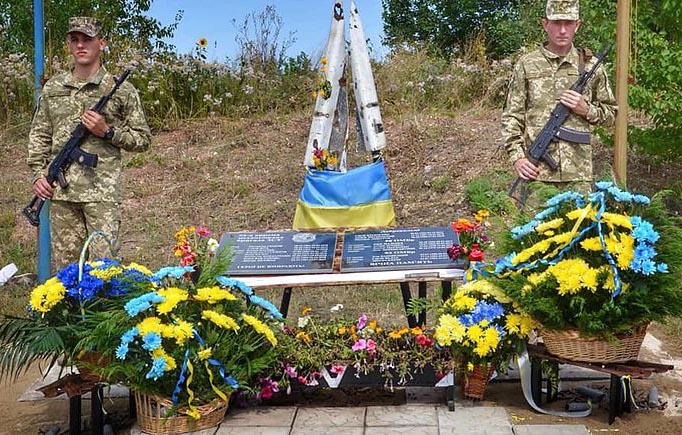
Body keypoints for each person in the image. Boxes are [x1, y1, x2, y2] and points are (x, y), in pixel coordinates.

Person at [27, 16, 151, 270]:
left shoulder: (121, 90)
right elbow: (39, 135)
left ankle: (102, 311)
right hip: (62, 194)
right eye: (75, 40)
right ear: (69, 45)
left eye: (87, 40)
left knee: (104, 271)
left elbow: (143, 139)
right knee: (66, 272)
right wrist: (39, 176)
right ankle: (69, 311)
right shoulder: (54, 87)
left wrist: (107, 132)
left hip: (101, 194)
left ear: (101, 43)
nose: (81, 45)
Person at [501, 0, 617, 196]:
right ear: (545, 24)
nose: (562, 30)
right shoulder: (527, 64)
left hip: (578, 176)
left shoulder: (591, 66)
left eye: (568, 23)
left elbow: (612, 115)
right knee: (532, 227)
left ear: (577, 25)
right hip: (537, 174)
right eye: (556, 23)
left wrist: (586, 109)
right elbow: (512, 116)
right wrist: (518, 158)